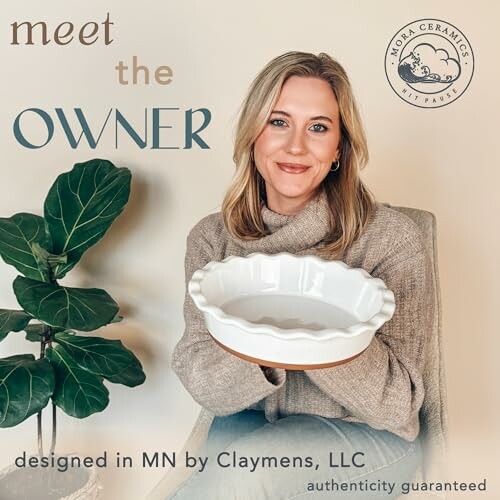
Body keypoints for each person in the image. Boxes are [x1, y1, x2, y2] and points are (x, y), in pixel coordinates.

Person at [169, 51, 434, 499]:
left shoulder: (391, 239)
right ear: (252, 134)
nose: (296, 146)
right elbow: (205, 385)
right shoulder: (213, 239)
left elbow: (398, 403)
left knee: (247, 474)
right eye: (278, 121)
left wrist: (319, 329)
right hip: (248, 421)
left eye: (318, 127)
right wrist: (269, 343)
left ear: (338, 149)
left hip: (365, 438)